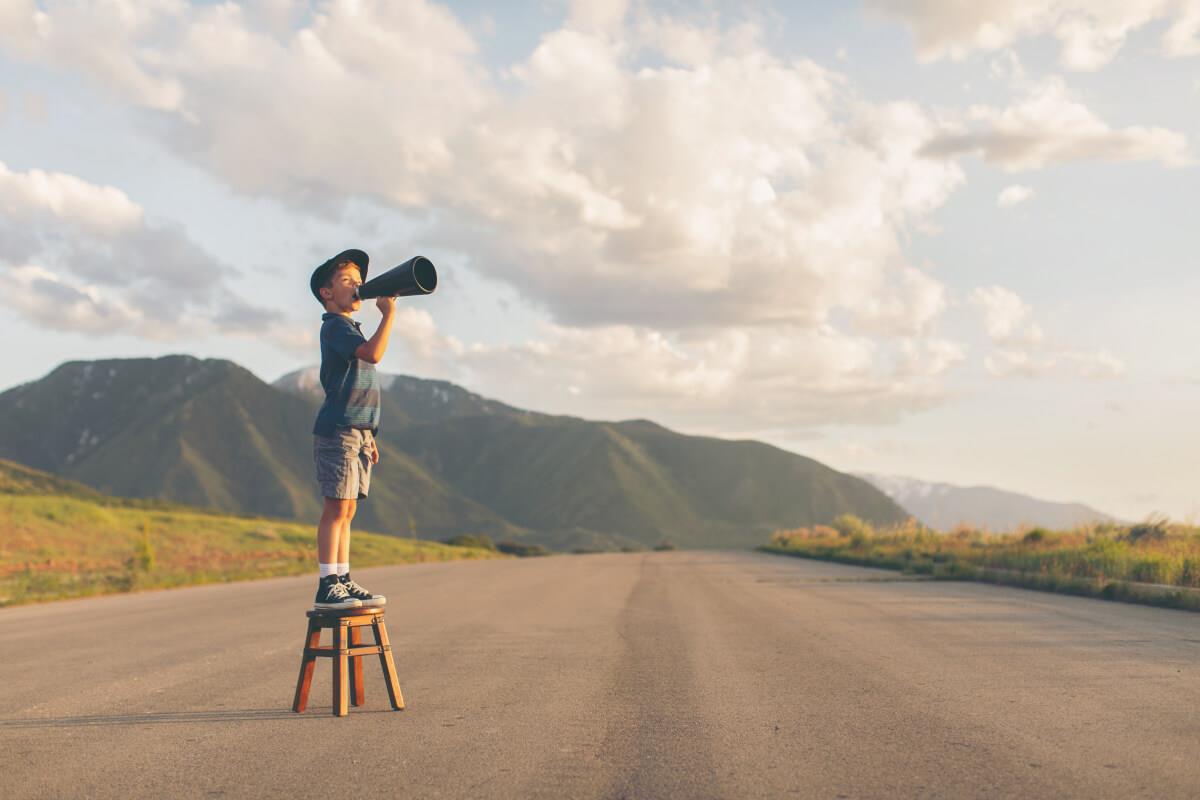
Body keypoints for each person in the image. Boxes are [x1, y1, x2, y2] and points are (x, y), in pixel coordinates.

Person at [308, 248, 395, 609]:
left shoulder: (349, 328)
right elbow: (373, 355)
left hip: (357, 431)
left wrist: (370, 435)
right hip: (339, 431)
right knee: (335, 508)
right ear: (327, 293)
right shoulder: (336, 327)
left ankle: (342, 577)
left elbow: (362, 389)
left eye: (360, 281)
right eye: (348, 280)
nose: (358, 286)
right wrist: (389, 315)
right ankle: (328, 583)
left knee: (348, 511)